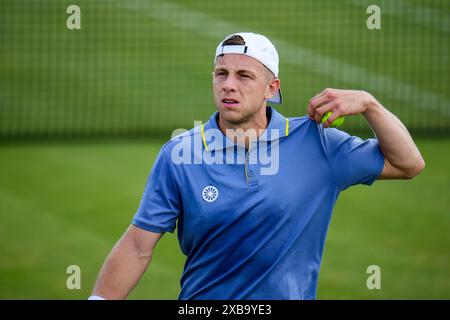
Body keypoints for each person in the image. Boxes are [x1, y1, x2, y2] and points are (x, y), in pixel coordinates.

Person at [90, 32, 425, 300]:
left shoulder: (318, 144)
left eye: (243, 75)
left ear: (271, 88)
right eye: (221, 74)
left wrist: (369, 104)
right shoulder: (181, 153)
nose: (228, 85)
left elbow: (409, 164)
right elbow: (137, 245)